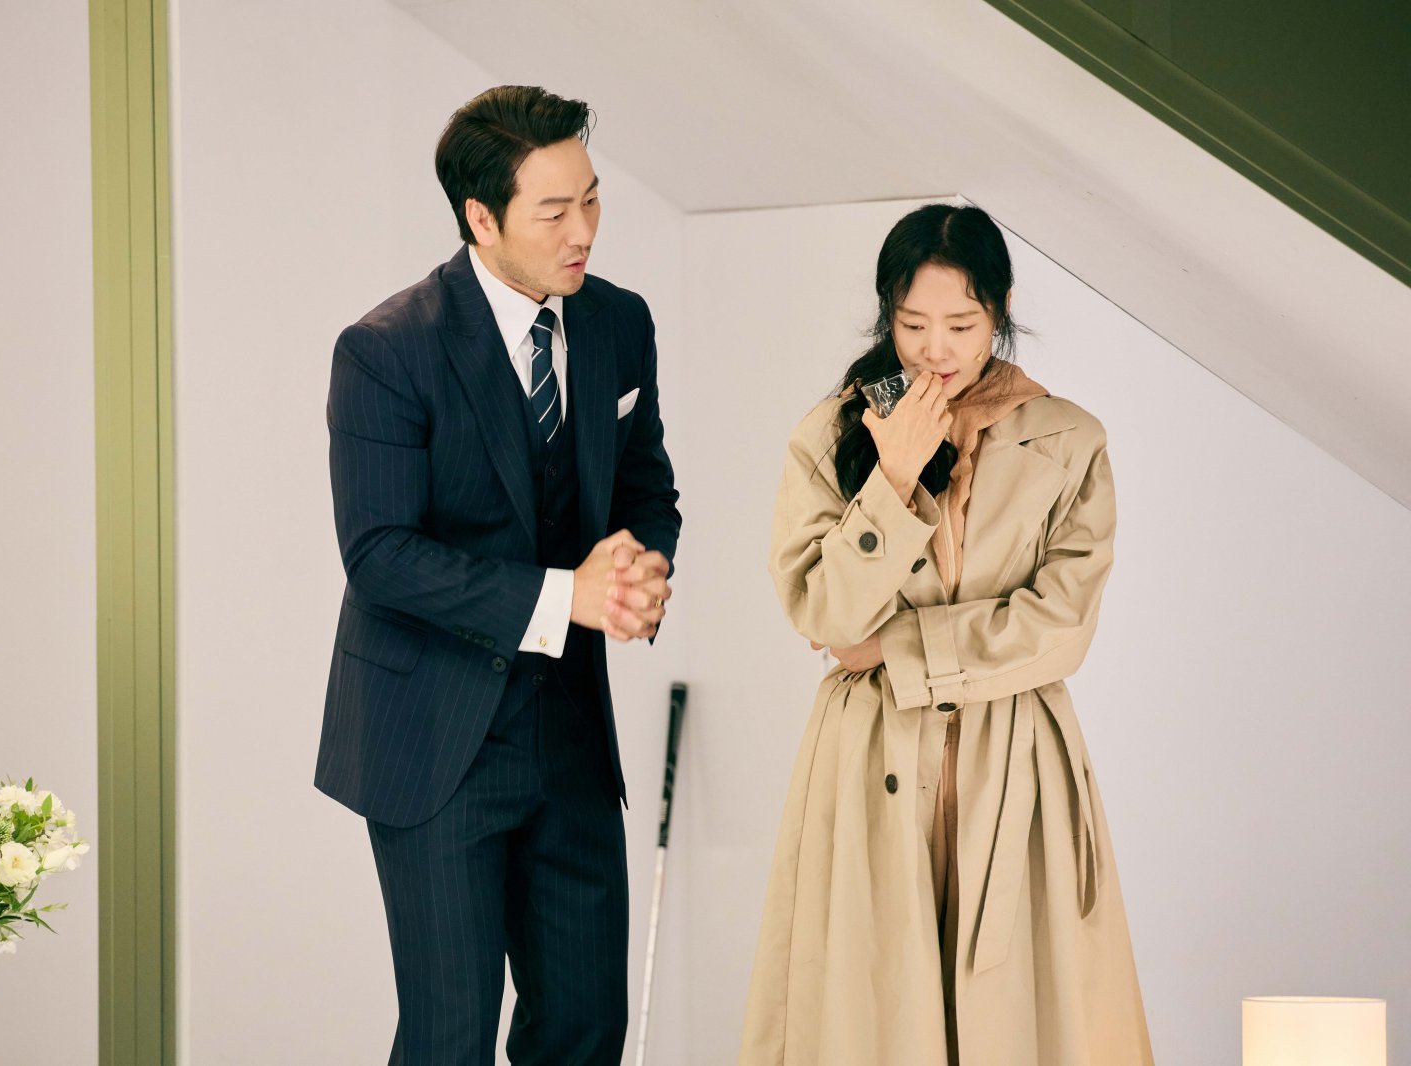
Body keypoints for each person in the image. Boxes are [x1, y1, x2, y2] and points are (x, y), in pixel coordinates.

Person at [314, 86, 681, 1065]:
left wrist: (639, 567)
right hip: (435, 741)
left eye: (592, 200)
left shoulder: (619, 323)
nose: (584, 231)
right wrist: (567, 596)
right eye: (554, 212)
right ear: (480, 219)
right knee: (450, 1040)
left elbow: (645, 489)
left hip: (571, 734)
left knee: (585, 1029)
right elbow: (379, 555)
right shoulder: (386, 350)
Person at [740, 204, 1152, 1065]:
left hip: (1018, 767)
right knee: (876, 1016)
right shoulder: (833, 434)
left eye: (961, 325)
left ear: (999, 311)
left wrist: (900, 650)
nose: (936, 349)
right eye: (913, 324)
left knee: (1018, 1021)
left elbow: (1062, 628)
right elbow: (825, 615)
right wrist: (891, 475)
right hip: (871, 765)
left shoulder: (1069, 441)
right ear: (887, 316)